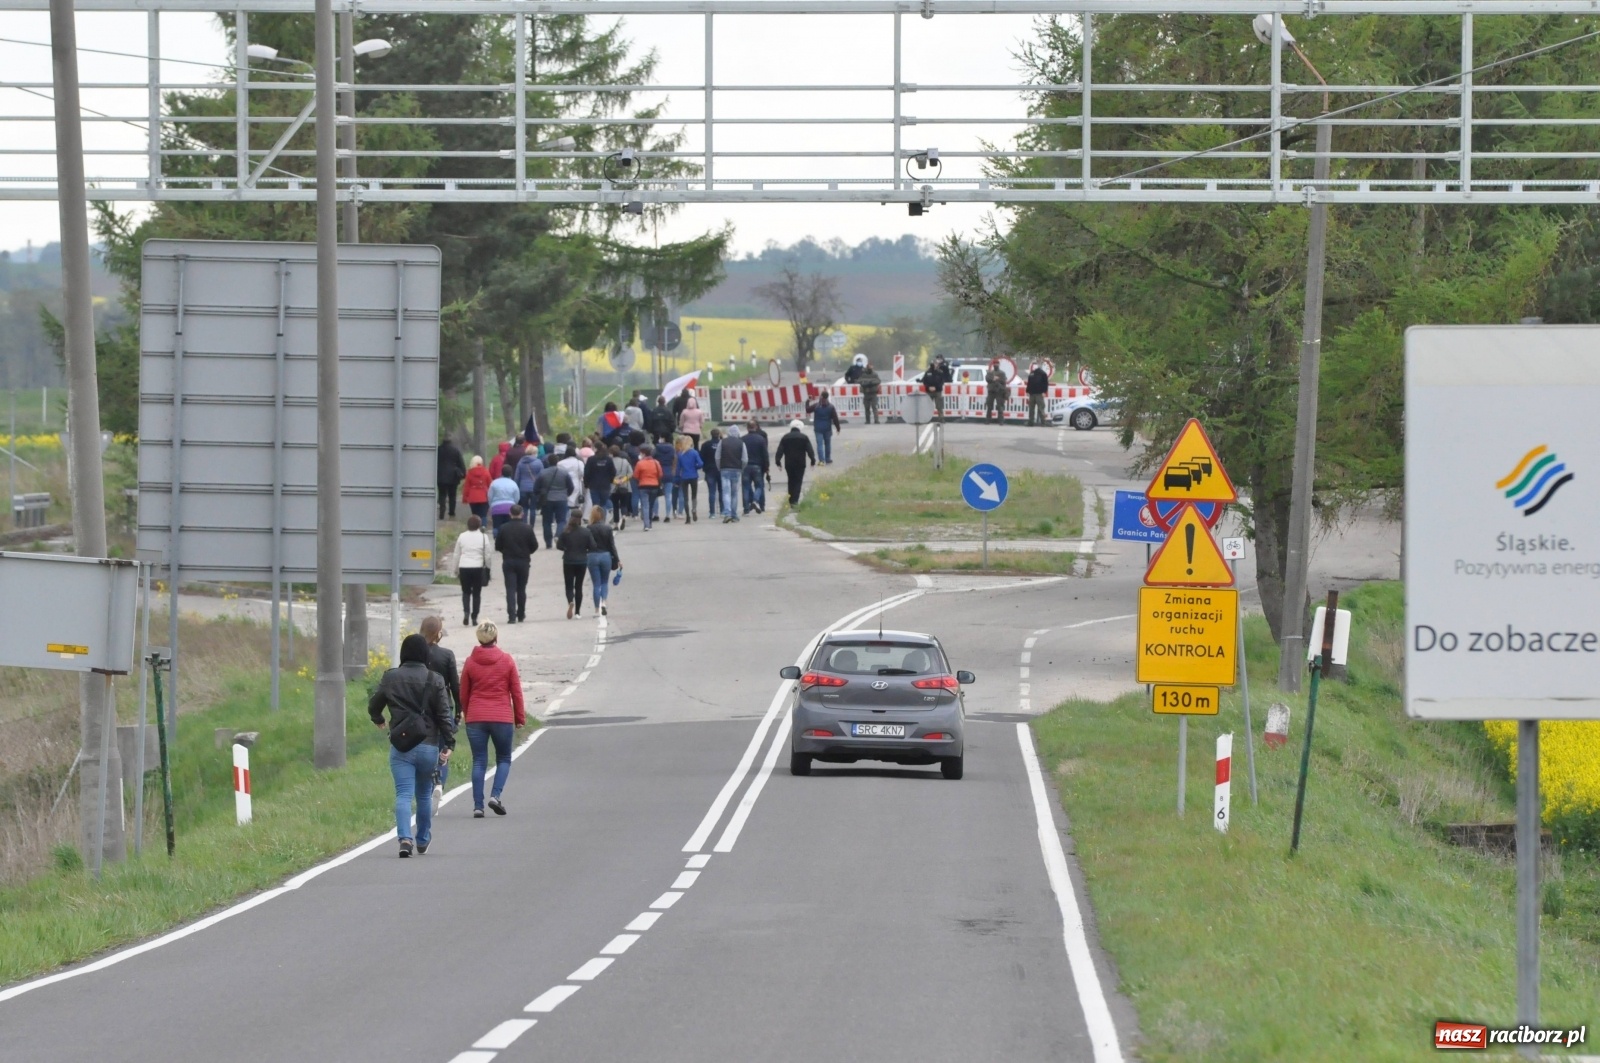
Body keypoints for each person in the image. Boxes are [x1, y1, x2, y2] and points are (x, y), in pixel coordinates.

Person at [368, 633, 454, 857]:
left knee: (403, 793)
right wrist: (449, 742)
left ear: (403, 653)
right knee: (424, 794)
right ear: (425, 654)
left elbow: (374, 704)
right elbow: (444, 714)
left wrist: (379, 719)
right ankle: (423, 838)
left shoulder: (391, 677)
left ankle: (405, 839)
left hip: (401, 745)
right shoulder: (435, 679)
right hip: (428, 745)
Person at [459, 621, 524, 818]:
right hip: (501, 717)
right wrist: (519, 717)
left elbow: (464, 693)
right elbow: (516, 692)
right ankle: (495, 796)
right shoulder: (507, 660)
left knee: (479, 760)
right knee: (503, 758)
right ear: (496, 637)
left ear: (479, 638)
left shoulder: (470, 662)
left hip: (476, 717)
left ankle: (478, 806)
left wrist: (468, 714)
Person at [419, 615, 462, 813]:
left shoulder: (416, 654)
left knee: (425, 750)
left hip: (421, 708)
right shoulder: (447, 655)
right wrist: (459, 710)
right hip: (444, 706)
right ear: (439, 633)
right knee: (444, 750)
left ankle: (429, 789)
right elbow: (455, 685)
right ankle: (439, 783)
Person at [495, 504, 538, 623]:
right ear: (522, 514)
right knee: (521, 588)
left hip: (508, 560)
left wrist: (505, 551)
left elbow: (498, 545)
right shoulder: (528, 528)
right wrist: (527, 552)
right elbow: (534, 545)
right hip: (523, 561)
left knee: (510, 589)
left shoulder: (503, 528)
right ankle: (521, 613)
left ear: (510, 514)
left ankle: (511, 615)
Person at [448, 516, 493, 626]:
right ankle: (474, 616)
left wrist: (454, 570)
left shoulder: (462, 536)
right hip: (478, 567)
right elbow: (487, 554)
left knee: (466, 592)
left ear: (467, 525)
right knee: (477, 593)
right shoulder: (483, 537)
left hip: (464, 567)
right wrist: (488, 567)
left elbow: (456, 554)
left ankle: (466, 612)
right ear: (479, 525)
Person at [586, 505, 621, 617]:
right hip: (606, 556)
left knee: (596, 584)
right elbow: (612, 546)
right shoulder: (608, 528)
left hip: (592, 556)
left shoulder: (588, 528)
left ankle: (597, 609)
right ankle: (604, 603)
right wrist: (617, 559)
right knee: (605, 582)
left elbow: (586, 545)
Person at [557, 512, 593, 618]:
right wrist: (585, 549)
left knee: (569, 585)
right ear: (581, 518)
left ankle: (570, 601)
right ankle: (577, 612)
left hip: (568, 560)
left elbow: (559, 545)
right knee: (579, 586)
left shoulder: (565, 531)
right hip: (582, 561)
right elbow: (593, 545)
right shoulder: (586, 531)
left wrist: (566, 549)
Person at [775, 418, 817, 506]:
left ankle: (791, 500)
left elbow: (780, 450)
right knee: (798, 481)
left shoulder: (785, 437)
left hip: (789, 463)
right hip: (800, 463)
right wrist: (812, 460)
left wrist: (778, 462)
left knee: (791, 481)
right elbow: (810, 450)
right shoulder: (804, 437)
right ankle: (795, 501)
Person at [718, 425, 747, 522]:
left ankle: (727, 513)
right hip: (737, 469)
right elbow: (745, 459)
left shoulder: (722, 442)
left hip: (725, 469)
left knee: (726, 492)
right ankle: (734, 515)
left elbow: (717, 457)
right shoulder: (741, 443)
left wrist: (719, 467)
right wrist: (741, 468)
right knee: (734, 493)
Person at [672, 434, 704, 521]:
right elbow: (701, 463)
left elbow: (678, 468)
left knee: (685, 497)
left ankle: (688, 517)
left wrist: (677, 478)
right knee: (694, 495)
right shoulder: (694, 452)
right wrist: (695, 467)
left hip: (684, 476)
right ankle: (694, 509)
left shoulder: (680, 454)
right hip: (693, 475)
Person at [633, 446, 663, 531]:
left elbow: (635, 475)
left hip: (643, 486)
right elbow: (660, 474)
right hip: (654, 485)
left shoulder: (640, 463)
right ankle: (650, 523)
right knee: (651, 505)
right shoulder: (656, 462)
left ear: (643, 454)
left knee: (645, 506)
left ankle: (646, 525)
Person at [743, 420, 769, 515]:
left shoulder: (743, 439)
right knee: (759, 486)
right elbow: (765, 454)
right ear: (756, 427)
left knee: (746, 487)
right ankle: (758, 502)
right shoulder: (761, 439)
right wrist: (766, 467)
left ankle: (746, 509)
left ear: (747, 428)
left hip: (745, 466)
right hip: (758, 466)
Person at [437, 437, 466, 519]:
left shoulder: (438, 450)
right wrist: (463, 474)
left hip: (441, 476)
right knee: (452, 495)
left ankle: (442, 512)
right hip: (453, 477)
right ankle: (452, 512)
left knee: (442, 494)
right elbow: (461, 463)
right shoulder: (455, 450)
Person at [811, 390, 842, 465]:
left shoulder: (816, 406)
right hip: (827, 428)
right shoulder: (831, 407)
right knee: (827, 444)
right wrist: (838, 428)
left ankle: (821, 460)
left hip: (818, 428)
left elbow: (807, 409)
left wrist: (807, 401)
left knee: (820, 444)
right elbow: (835, 418)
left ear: (821, 396)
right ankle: (828, 459)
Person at [583, 444, 617, 515]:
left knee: (595, 504)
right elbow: (613, 472)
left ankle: (596, 518)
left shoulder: (591, 459)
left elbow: (587, 473)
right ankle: (603, 519)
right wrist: (610, 480)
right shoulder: (609, 460)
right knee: (603, 504)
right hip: (605, 485)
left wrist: (586, 483)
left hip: (593, 485)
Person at [488, 463, 520, 536]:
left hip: (496, 508)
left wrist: (491, 506)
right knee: (509, 528)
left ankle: (496, 538)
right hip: (510, 508)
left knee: (496, 526)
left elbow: (490, 496)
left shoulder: (494, 483)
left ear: (501, 472)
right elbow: (517, 497)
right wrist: (514, 504)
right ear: (511, 473)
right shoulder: (513, 484)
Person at [557, 445, 586, 522]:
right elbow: (582, 473)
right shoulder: (579, 462)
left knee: (566, 501)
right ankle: (574, 519)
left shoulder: (560, 463)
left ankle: (565, 518)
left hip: (563, 484)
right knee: (574, 503)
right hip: (576, 483)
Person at [651, 436, 677, 522]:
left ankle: (656, 515)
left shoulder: (656, 449)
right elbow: (675, 460)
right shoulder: (672, 449)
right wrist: (673, 470)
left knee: (655, 495)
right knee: (668, 495)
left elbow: (652, 459)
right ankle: (667, 515)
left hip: (657, 473)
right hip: (669, 472)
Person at [514, 445, 543, 520]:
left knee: (524, 507)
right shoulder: (538, 462)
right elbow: (541, 476)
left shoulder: (521, 462)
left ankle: (524, 523)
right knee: (533, 508)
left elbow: (517, 476)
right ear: (534, 453)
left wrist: (517, 486)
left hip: (523, 488)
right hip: (534, 488)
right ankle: (532, 525)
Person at [609, 445, 633, 529]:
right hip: (625, 486)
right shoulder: (625, 461)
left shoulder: (610, 462)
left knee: (615, 506)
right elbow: (631, 473)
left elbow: (608, 475)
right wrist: (624, 479)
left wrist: (615, 481)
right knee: (624, 504)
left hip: (613, 487)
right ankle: (623, 516)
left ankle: (616, 524)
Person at [462, 455, 491, 524]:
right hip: (484, 496)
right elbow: (490, 484)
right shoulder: (486, 472)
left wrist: (465, 498)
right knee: (483, 515)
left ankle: (475, 526)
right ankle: (483, 526)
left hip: (473, 497)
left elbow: (466, 487)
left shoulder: (470, 473)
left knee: (475, 514)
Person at [700, 429, 722, 518]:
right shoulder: (722, 444)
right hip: (721, 469)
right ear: (719, 434)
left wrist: (704, 467)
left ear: (711, 434)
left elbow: (701, 457)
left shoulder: (705, 445)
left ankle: (712, 512)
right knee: (722, 491)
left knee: (712, 492)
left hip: (709, 470)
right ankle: (722, 510)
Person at [923, 356, 953, 420]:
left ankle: (941, 418)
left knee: (939, 406)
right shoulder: (928, 372)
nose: (935, 365)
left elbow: (941, 382)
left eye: (936, 364)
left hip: (938, 391)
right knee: (928, 406)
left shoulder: (940, 372)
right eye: (934, 363)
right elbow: (924, 381)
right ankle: (927, 418)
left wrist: (936, 388)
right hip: (929, 391)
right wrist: (928, 387)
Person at [1026, 362, 1051, 427]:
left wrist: (1044, 392)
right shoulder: (1032, 373)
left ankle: (1043, 422)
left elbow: (1045, 384)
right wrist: (1028, 391)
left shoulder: (1042, 374)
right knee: (1032, 409)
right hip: (1033, 393)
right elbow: (1029, 383)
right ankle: (1031, 422)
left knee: (1040, 408)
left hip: (1039, 394)